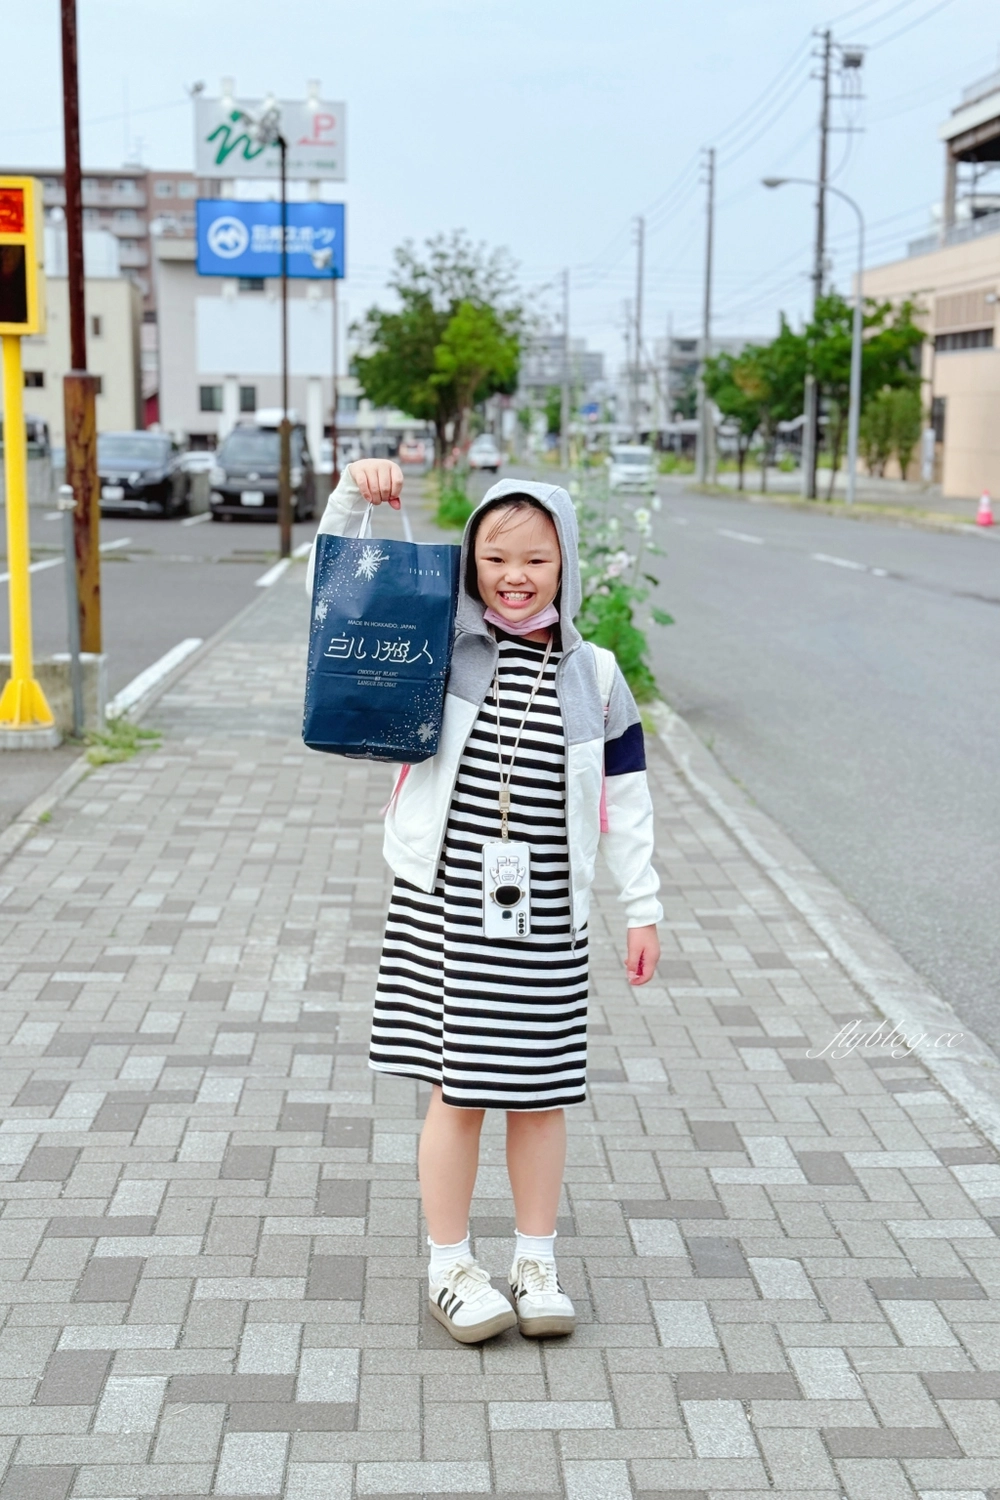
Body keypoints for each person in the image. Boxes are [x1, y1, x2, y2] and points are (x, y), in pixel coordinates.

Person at [307, 458, 663, 1344]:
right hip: (448, 911)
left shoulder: (599, 676)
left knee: (542, 1095)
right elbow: (334, 595)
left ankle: (535, 1261)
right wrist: (354, 494)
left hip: (547, 919)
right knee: (457, 1091)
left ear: (566, 564)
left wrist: (642, 904)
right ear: (470, 561)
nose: (515, 575)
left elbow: (627, 803)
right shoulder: (434, 640)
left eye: (537, 559)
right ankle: (450, 1266)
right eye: (496, 557)